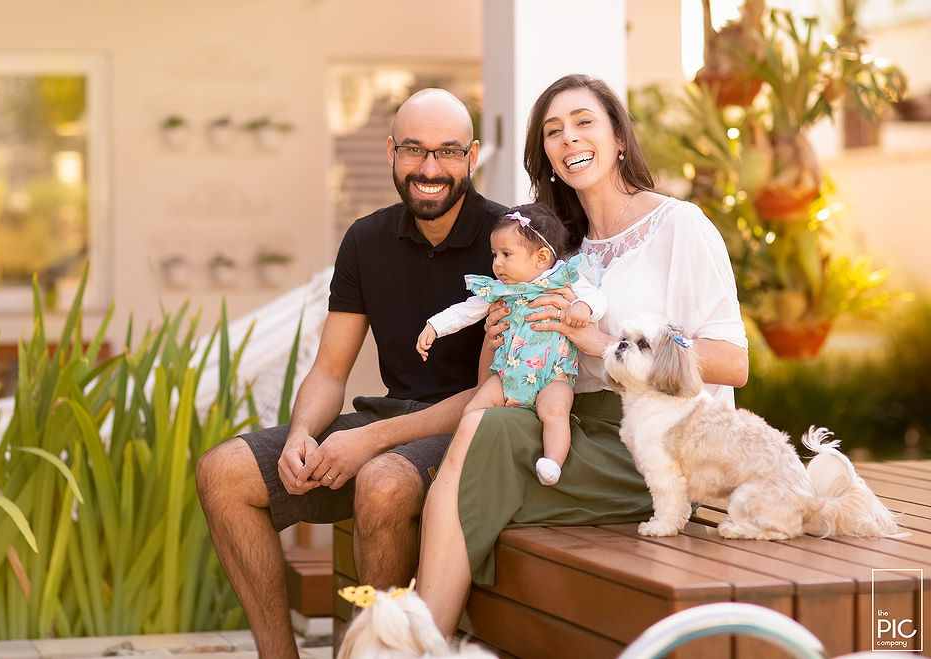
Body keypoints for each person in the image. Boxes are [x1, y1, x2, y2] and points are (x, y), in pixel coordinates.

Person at [414, 74, 750, 636]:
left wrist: (607, 346)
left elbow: (732, 361)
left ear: (619, 136)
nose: (569, 139)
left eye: (583, 122)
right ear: (544, 154)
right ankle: (424, 639)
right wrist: (499, 336)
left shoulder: (679, 226)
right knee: (481, 430)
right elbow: (505, 378)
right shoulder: (559, 250)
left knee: (473, 457)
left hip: (667, 441)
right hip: (577, 423)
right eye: (553, 131)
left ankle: (419, 635)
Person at [195, 88, 506, 658]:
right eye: (414, 150)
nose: (429, 169)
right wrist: (300, 435)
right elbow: (330, 370)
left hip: (473, 434)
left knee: (382, 481)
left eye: (447, 152)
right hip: (389, 420)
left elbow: (495, 395)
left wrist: (371, 439)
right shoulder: (366, 239)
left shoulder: (508, 242)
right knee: (224, 473)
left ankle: (384, 654)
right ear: (390, 151)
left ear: (473, 155)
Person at [416, 203, 605, 486]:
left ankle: (552, 463)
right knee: (474, 411)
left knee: (555, 412)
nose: (497, 263)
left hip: (552, 376)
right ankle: (462, 461)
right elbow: (466, 310)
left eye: (506, 254)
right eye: (495, 254)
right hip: (506, 377)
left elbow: (598, 299)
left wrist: (584, 308)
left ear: (541, 257)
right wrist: (434, 326)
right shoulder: (501, 289)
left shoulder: (563, 279)